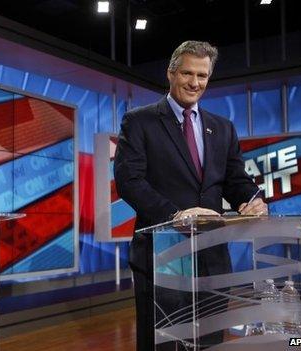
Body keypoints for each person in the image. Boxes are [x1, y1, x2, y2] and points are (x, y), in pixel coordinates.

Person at [114, 41, 267, 350]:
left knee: (209, 340)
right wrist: (175, 215)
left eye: (202, 76)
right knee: (164, 344)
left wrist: (250, 199)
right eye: (187, 73)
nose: (195, 83)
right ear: (171, 73)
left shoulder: (222, 127)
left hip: (211, 255)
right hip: (162, 256)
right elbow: (129, 180)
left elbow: (235, 179)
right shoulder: (139, 121)